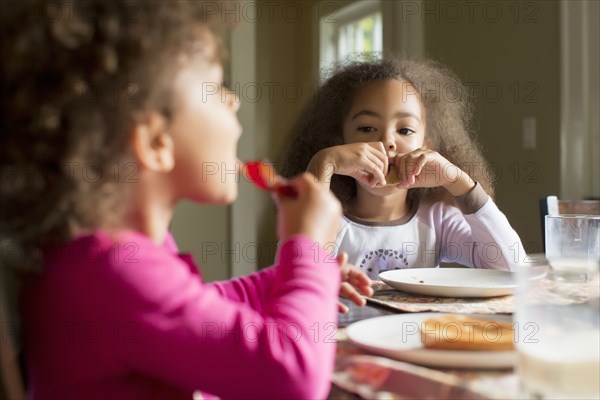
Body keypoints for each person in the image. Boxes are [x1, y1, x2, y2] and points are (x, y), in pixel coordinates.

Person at [0, 1, 370, 398]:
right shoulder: (113, 271)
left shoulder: (115, 255)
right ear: (155, 142)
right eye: (217, 88)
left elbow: (196, 310)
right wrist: (309, 249)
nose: (235, 100)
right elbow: (293, 377)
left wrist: (285, 280)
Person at [280, 57, 526, 279]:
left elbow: (512, 269)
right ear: (340, 141)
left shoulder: (437, 220)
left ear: (426, 145)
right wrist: (323, 164)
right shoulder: (329, 223)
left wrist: (459, 182)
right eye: (366, 128)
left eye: (405, 130)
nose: (387, 141)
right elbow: (293, 283)